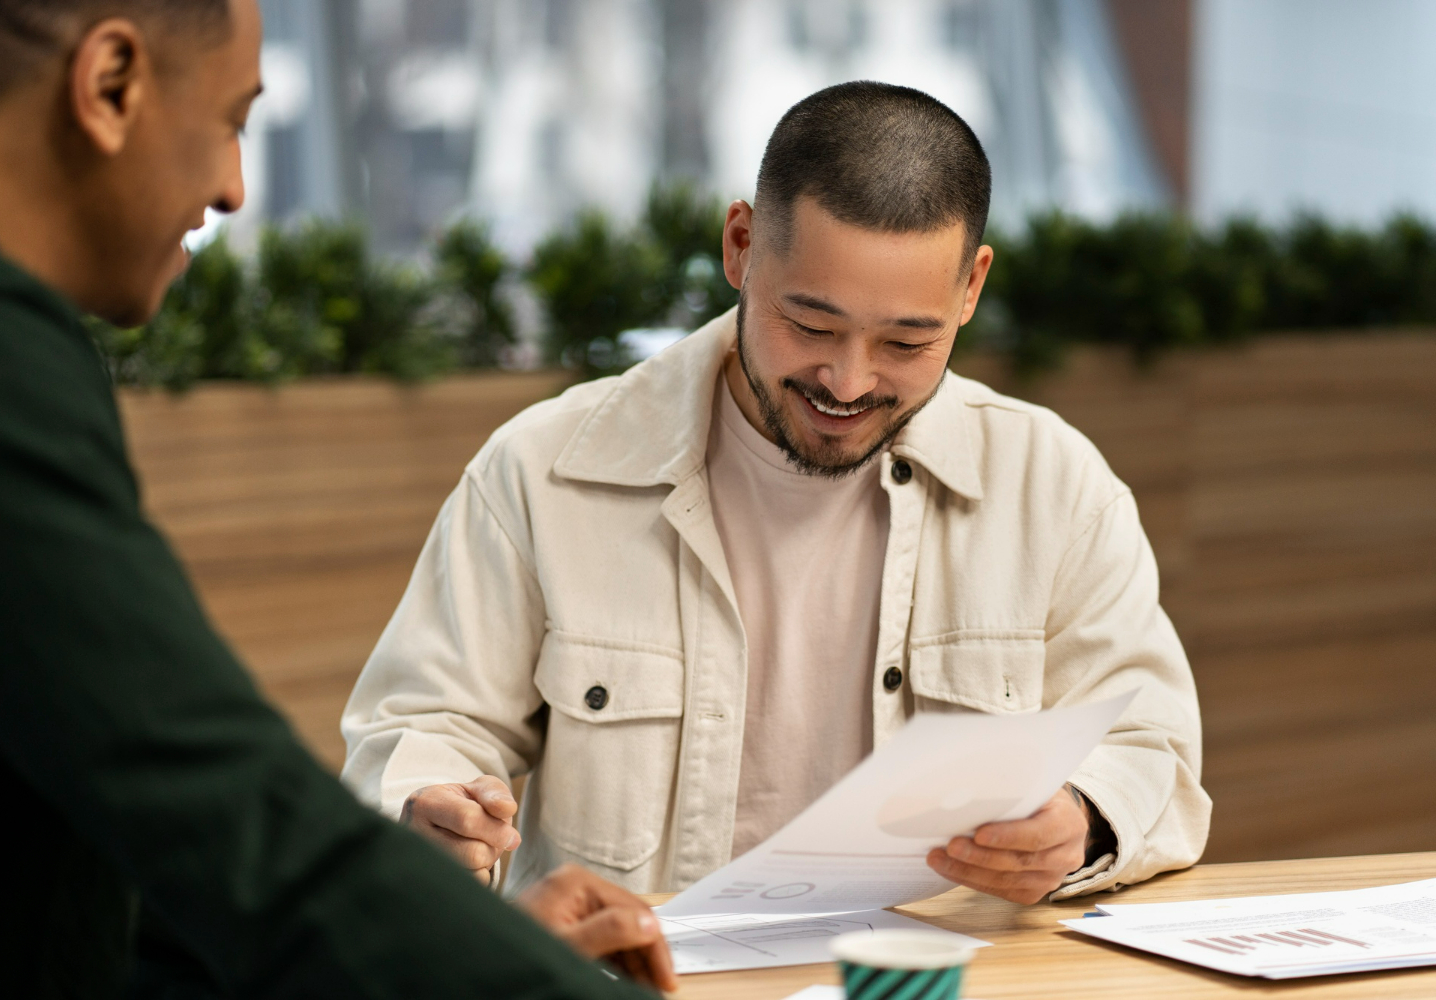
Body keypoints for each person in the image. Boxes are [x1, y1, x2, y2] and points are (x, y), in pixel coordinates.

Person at [0, 1, 674, 996]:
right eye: (234, 119)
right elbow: (216, 807)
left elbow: (92, 850)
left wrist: (447, 944)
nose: (236, 188)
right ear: (110, 84)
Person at [342, 81, 1211, 906]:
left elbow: (1154, 755)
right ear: (741, 246)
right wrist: (426, 812)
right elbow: (418, 732)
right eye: (811, 325)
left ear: (972, 286)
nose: (848, 379)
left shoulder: (1054, 488)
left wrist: (1085, 824)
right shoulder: (540, 472)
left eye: (906, 342)